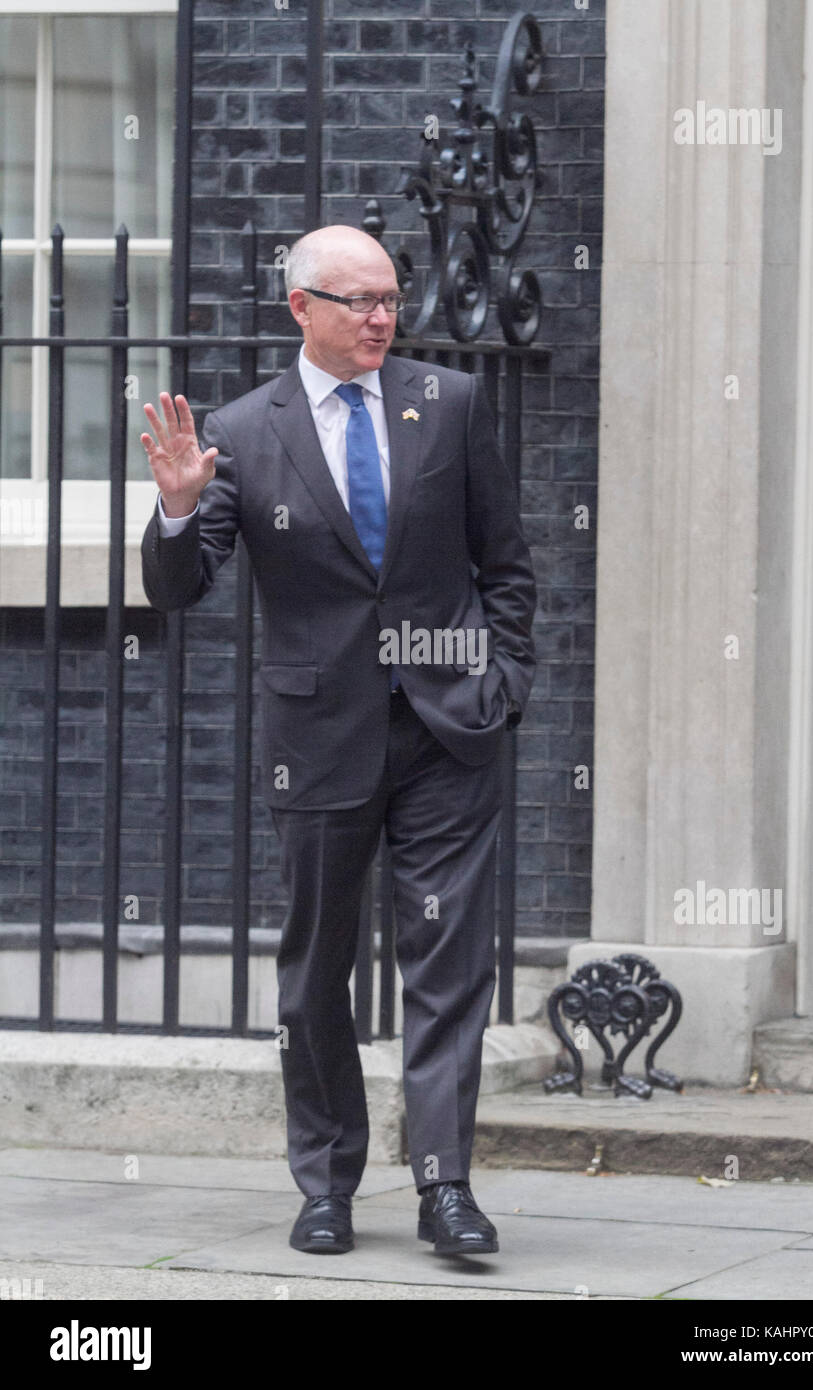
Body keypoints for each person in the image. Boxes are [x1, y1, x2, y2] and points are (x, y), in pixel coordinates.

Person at [140, 224, 536, 1257]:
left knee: (448, 966)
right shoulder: (241, 430)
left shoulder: (446, 405)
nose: (377, 319)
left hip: (449, 728)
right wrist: (177, 510)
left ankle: (445, 1186)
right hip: (317, 737)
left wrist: (504, 682)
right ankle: (325, 1183)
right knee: (316, 972)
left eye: (389, 300)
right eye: (354, 301)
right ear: (298, 309)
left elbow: (506, 561)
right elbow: (180, 589)